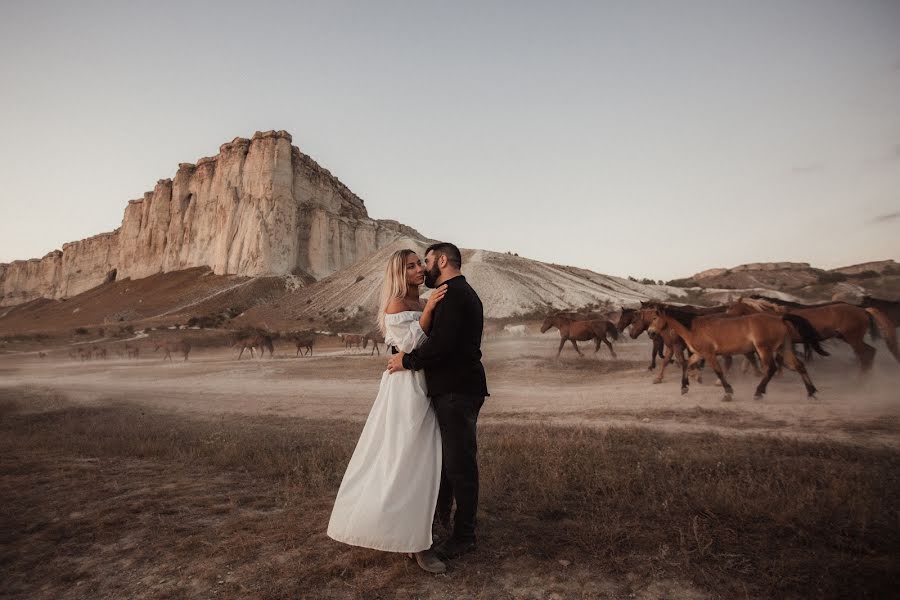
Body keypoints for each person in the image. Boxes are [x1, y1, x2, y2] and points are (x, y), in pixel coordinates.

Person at [327, 249, 449, 574]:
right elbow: (406, 347)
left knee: (427, 462)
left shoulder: (424, 303)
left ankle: (416, 536)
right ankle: (418, 544)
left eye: (419, 264)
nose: (419, 269)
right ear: (399, 273)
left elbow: (431, 346)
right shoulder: (397, 305)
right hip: (406, 388)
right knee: (408, 460)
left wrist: (432, 309)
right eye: (410, 266)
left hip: (428, 383)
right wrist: (430, 311)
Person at [387, 242, 489, 561]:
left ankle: (464, 536)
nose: (424, 269)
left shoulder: (454, 294)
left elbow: (442, 345)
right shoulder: (452, 292)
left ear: (441, 261)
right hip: (456, 388)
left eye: (427, 262)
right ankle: (442, 520)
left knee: (460, 465)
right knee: (448, 462)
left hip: (457, 390)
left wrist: (408, 361)